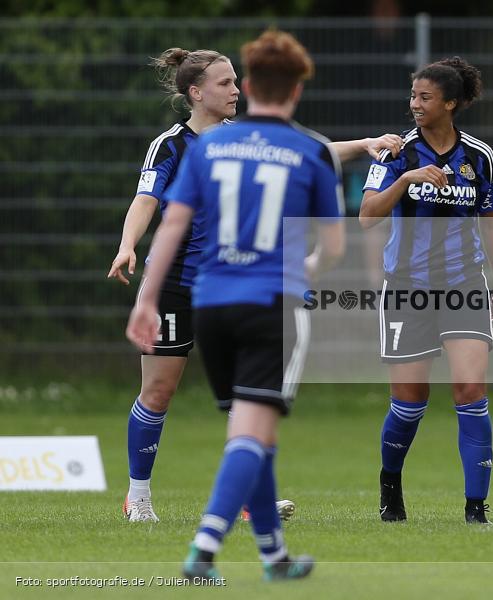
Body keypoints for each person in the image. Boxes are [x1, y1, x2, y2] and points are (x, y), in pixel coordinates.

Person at [108, 46, 401, 523]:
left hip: (235, 283)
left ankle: (248, 499)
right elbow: (146, 201)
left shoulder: (241, 137)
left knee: (249, 393)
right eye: (225, 83)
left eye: (236, 81)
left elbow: (307, 151)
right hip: (177, 285)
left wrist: (364, 145)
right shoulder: (171, 145)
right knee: (159, 392)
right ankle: (137, 495)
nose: (236, 90)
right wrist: (127, 245)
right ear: (196, 92)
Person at [127, 28, 344, 581]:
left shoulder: (215, 146)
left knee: (250, 426)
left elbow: (173, 219)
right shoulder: (309, 148)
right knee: (252, 428)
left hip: (212, 299)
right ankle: (205, 547)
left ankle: (274, 555)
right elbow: (334, 246)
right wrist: (308, 269)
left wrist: (144, 298)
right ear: (296, 90)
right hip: (270, 302)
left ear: (248, 85)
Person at [359, 56, 493, 524]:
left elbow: (491, 221)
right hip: (406, 288)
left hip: (465, 283)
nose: (415, 104)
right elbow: (367, 214)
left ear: (451, 103)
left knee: (470, 389)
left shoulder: (479, 157)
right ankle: (390, 488)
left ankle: (476, 509)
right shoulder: (395, 153)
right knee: (409, 402)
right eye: (413, 95)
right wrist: (405, 180)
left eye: (425, 97)